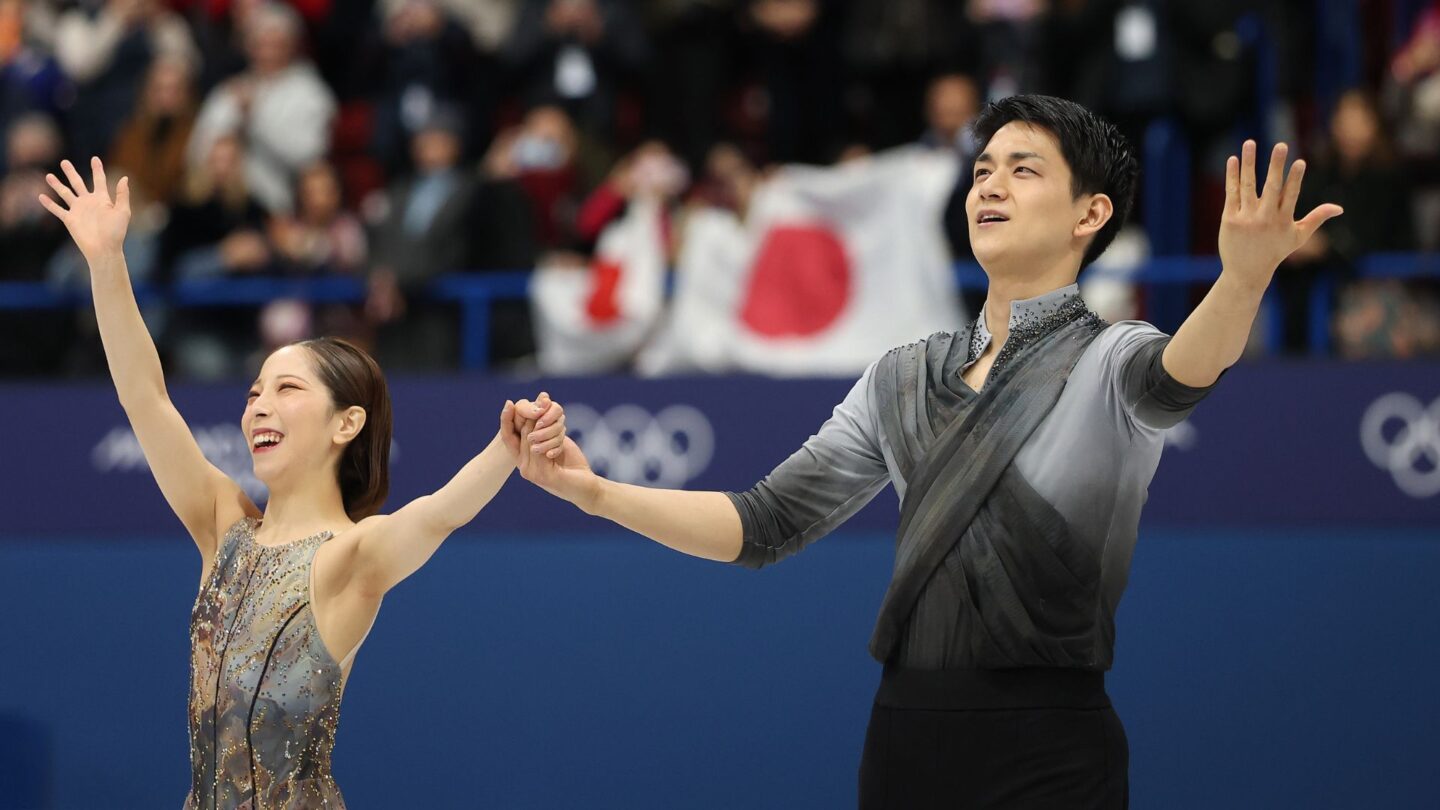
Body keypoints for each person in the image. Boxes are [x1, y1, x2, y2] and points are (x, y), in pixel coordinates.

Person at [513, 95, 1342, 808]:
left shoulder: (1112, 358)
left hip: (1052, 745)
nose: (990, 185)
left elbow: (1183, 372)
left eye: (1023, 169)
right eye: (982, 170)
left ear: (1090, 214)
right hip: (905, 738)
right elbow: (763, 524)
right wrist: (595, 492)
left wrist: (1242, 280)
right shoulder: (900, 377)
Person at [38, 156, 568, 807]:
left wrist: (505, 449)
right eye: (254, 392)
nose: (259, 406)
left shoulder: (349, 556)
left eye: (287, 389)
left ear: (347, 422)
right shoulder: (222, 526)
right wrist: (106, 263)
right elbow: (146, 398)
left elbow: (439, 513)